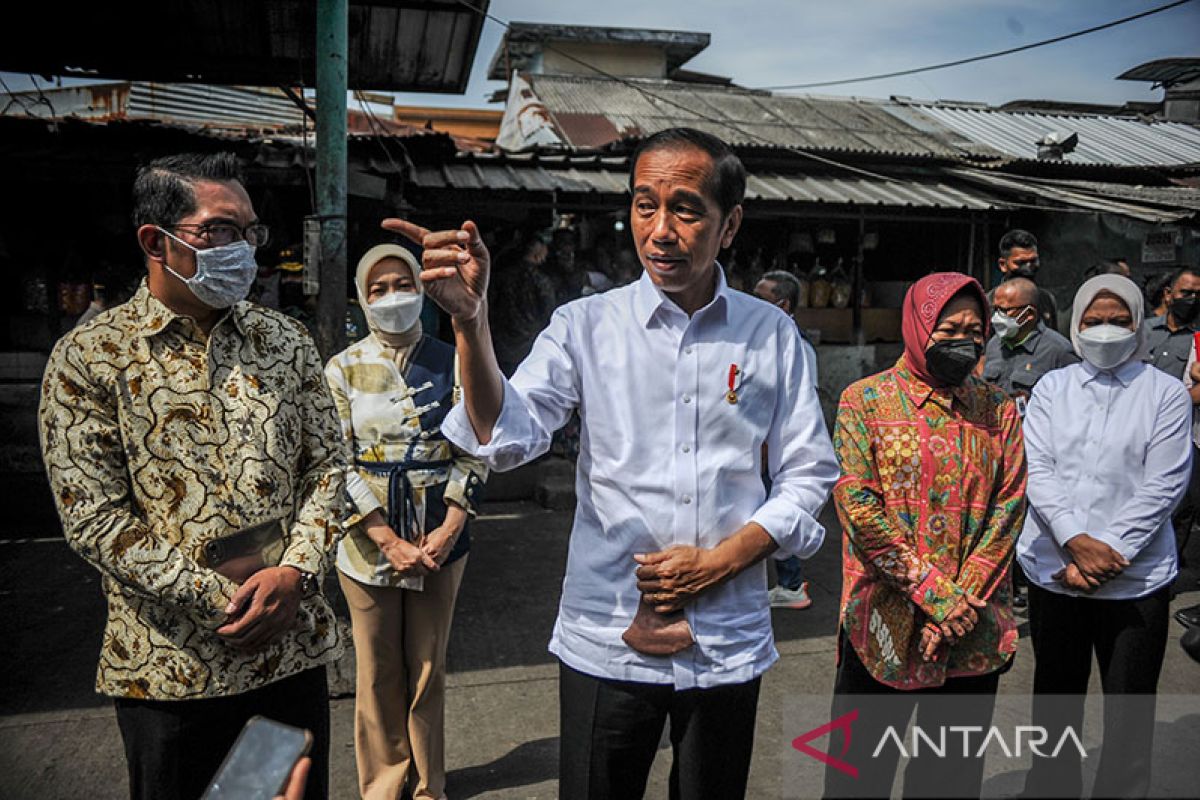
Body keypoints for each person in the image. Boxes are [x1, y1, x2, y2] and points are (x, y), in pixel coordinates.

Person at [385, 127, 838, 800]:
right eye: (643, 204)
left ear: (730, 223)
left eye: (685, 208)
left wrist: (723, 560)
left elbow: (808, 475)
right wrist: (471, 322)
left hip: (726, 637)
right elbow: (502, 431)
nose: (659, 230)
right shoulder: (584, 326)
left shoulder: (770, 335)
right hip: (607, 632)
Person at [37, 152, 346, 800]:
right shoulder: (90, 358)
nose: (245, 248)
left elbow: (328, 464)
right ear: (157, 240)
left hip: (286, 658)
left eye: (250, 231)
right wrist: (229, 602)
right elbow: (93, 516)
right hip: (173, 670)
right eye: (222, 230)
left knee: (286, 795)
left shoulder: (284, 340)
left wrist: (295, 572)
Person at [826, 272, 1026, 800]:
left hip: (971, 631)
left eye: (974, 328)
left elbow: (1008, 507)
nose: (964, 340)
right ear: (917, 327)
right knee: (856, 780)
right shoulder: (864, 402)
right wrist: (937, 596)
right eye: (948, 328)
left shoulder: (998, 410)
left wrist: (961, 603)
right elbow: (858, 506)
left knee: (949, 781)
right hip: (883, 628)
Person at [1018, 275, 1191, 799]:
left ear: (1139, 324)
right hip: (1055, 572)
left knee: (1129, 710)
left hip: (1136, 581)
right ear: (1075, 324)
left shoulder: (1164, 394)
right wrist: (1074, 542)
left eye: (1118, 320)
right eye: (1094, 321)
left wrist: (1104, 554)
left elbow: (1164, 485)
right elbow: (1039, 471)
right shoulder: (1053, 388)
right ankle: (1050, 788)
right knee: (1054, 702)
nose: (1106, 331)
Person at [324, 243, 486, 800]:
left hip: (441, 535)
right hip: (367, 541)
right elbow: (333, 462)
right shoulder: (341, 368)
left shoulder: (457, 358)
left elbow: (477, 448)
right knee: (376, 671)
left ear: (422, 289)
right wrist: (384, 537)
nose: (393, 297)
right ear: (362, 298)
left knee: (427, 668)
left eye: (404, 284)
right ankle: (383, 786)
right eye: (379, 288)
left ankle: (428, 786)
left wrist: (450, 527)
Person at [754, 270, 817, 610]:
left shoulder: (798, 347)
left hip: (777, 450)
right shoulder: (762, 338)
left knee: (781, 511)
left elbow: (801, 409)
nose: (751, 304)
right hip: (759, 447)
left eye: (761, 299)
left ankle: (792, 583)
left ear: (783, 304)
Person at [1142, 266, 1200, 625]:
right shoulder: (1142, 332)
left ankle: (1166, 574)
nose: (1192, 299)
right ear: (1168, 294)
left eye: (1197, 293)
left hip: (1179, 434)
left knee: (1180, 506)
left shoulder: (1197, 340)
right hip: (1136, 433)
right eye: (1186, 292)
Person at [984, 277, 1079, 410]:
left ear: (1029, 314)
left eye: (1005, 311)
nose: (997, 316)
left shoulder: (1059, 351)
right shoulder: (994, 345)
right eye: (996, 309)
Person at [992, 229, 1058, 330]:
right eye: (1020, 262)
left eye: (1033, 261)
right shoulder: (989, 303)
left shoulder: (1046, 300)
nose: (1028, 267)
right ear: (1003, 265)